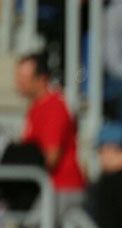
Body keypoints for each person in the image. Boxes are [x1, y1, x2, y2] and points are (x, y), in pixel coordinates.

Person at [15, 52, 87, 219]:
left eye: (24, 79)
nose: (18, 83)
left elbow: (51, 156)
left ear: (41, 79)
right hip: (48, 188)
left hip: (61, 188)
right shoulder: (36, 108)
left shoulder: (53, 107)